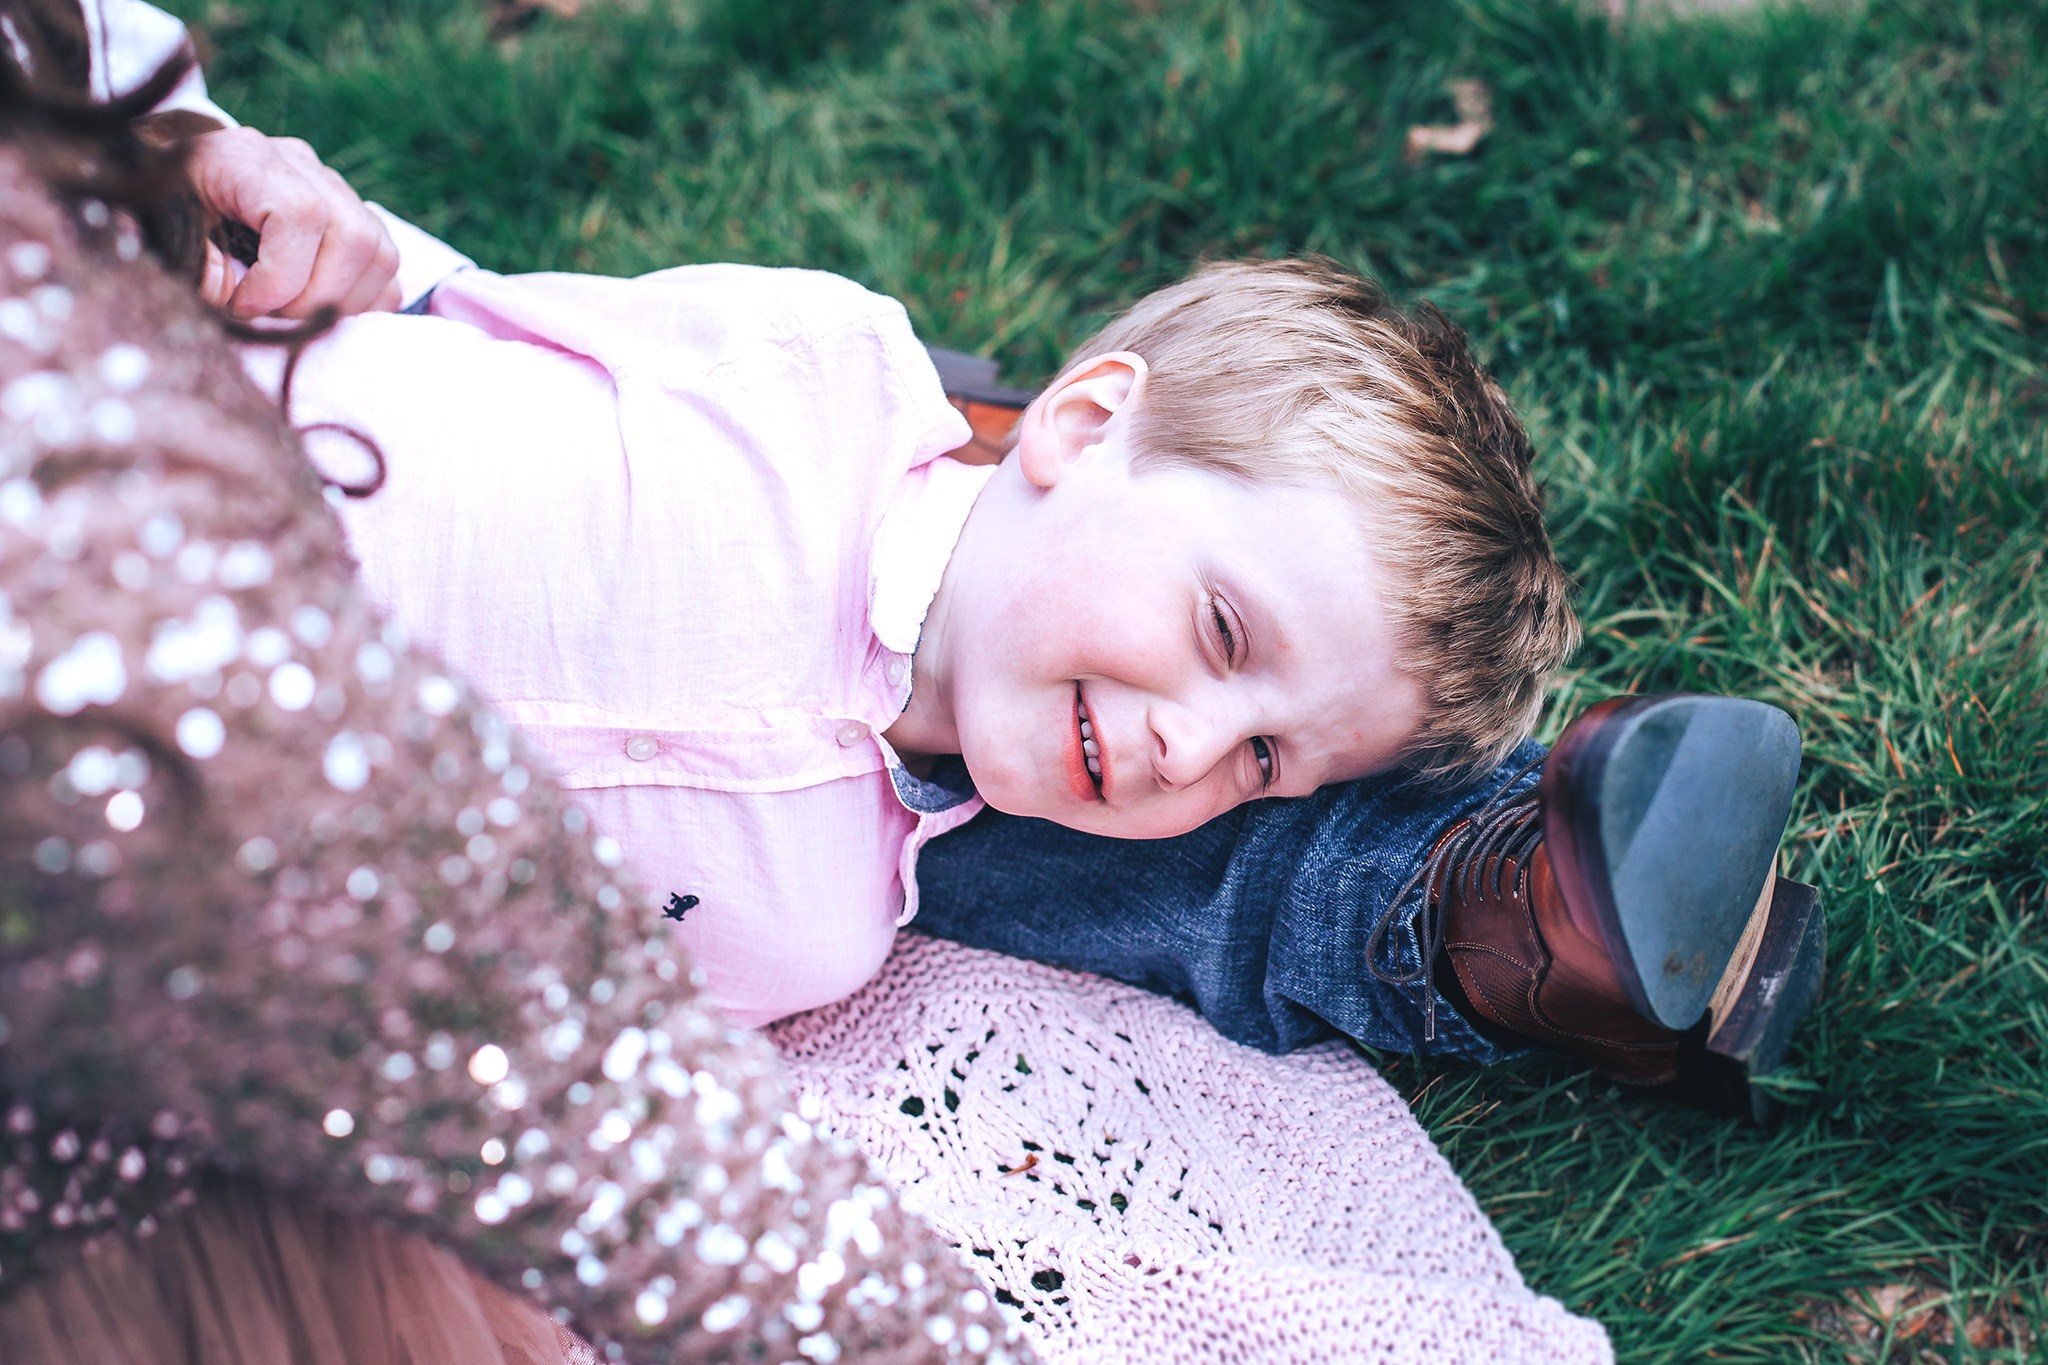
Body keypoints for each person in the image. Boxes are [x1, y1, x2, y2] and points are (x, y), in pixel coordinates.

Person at [70, 0, 1822, 1123]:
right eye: (1219, 632)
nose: (1188, 753)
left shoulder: (817, 928)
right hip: (104, 449)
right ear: (1078, 424)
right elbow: (465, 317)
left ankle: (1458, 894)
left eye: (1263, 755)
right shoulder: (803, 378)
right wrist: (192, 172)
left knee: (1041, 807)